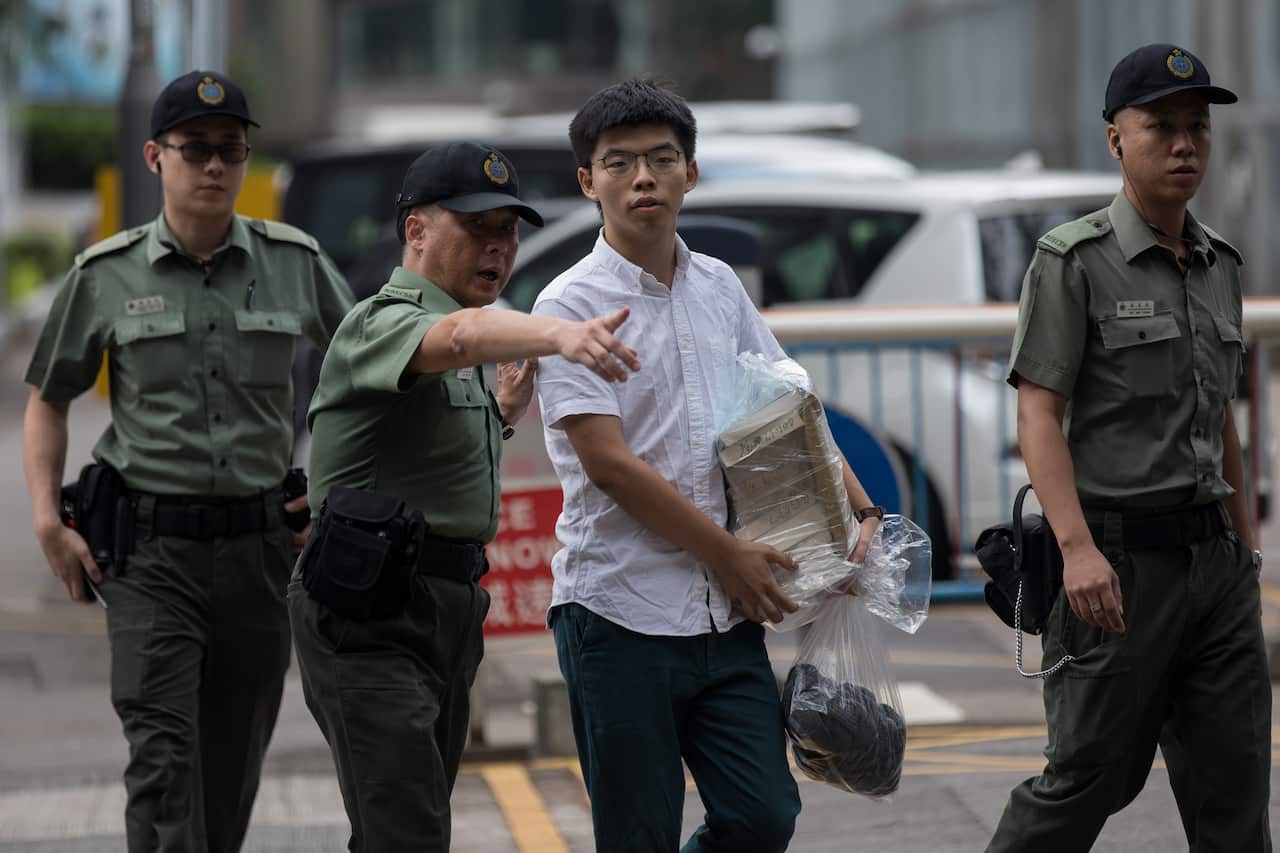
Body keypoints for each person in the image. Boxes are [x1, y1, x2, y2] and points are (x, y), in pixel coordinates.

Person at [532, 78, 887, 853]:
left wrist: (860, 512)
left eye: (662, 159)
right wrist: (726, 553)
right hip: (617, 612)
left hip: (724, 615)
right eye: (619, 163)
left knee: (765, 814)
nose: (644, 178)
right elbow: (608, 466)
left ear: (691, 173)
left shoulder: (719, 287)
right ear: (588, 182)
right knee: (638, 835)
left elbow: (788, 407)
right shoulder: (566, 306)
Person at [21, 70, 354, 852]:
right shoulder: (106, 275)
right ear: (154, 156)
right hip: (150, 554)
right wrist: (46, 521)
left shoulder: (295, 262)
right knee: (162, 760)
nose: (213, 166)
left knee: (230, 766)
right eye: (195, 149)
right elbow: (47, 396)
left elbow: (366, 370)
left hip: (261, 552)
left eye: (230, 150)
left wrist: (335, 492)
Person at [288, 141, 642, 851]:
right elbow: (461, 335)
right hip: (370, 615)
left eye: (508, 231)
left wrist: (505, 413)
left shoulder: (456, 343)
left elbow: (429, 454)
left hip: (444, 610)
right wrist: (561, 335)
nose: (498, 247)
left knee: (408, 826)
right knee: (407, 832)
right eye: (477, 227)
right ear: (416, 230)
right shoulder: (385, 322)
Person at [988, 44, 1271, 852]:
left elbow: (1219, 416)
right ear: (1116, 140)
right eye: (1161, 128)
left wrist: (1245, 550)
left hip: (1212, 566)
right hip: (1116, 567)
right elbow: (1038, 413)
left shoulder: (1219, 264)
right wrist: (1076, 550)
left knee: (1236, 786)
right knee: (1085, 779)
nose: (1185, 145)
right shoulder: (1073, 261)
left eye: (1198, 128)